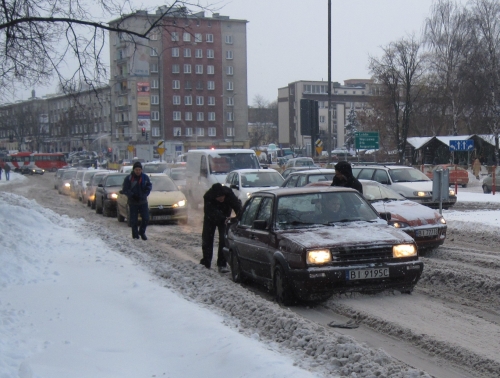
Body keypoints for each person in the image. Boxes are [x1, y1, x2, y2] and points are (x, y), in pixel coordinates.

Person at [201, 183, 242, 272]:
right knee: (207, 239)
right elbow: (211, 212)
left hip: (225, 218)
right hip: (210, 219)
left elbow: (236, 205)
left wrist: (240, 216)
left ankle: (222, 263)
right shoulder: (208, 196)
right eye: (219, 198)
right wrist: (223, 218)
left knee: (224, 240)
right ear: (214, 197)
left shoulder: (229, 193)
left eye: (222, 197)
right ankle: (206, 262)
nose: (221, 199)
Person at [122, 162, 152, 240]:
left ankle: (142, 232)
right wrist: (132, 195)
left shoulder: (145, 178)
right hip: (133, 202)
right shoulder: (129, 178)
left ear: (141, 170)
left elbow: (149, 186)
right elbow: (125, 189)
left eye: (139, 170)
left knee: (146, 218)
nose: (138, 171)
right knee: (134, 220)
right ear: (134, 170)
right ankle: (135, 236)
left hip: (143, 202)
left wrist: (145, 194)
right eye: (136, 170)